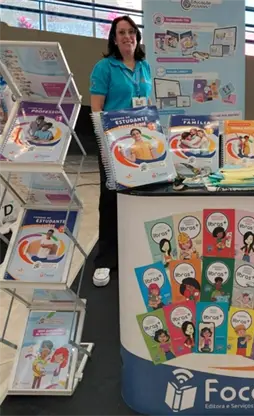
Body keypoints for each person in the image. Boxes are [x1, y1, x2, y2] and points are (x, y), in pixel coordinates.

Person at [90, 16, 152, 287]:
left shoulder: (144, 66)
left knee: (139, 195)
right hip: (113, 143)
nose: (127, 36)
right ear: (114, 39)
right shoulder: (104, 67)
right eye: (121, 32)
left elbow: (147, 103)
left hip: (140, 141)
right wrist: (103, 144)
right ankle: (105, 260)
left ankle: (134, 250)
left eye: (131, 31)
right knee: (110, 198)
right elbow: (96, 109)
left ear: (137, 36)